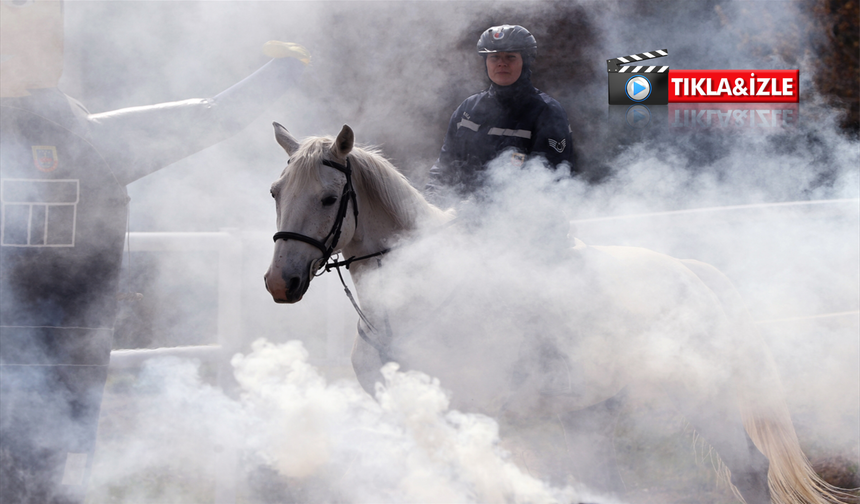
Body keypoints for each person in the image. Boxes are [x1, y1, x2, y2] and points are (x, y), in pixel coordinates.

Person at [0, 2, 309, 502]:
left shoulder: (84, 137)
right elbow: (212, 117)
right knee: (50, 478)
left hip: (55, 344)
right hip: (69, 349)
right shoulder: (89, 139)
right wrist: (280, 72)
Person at [425, 24, 576, 205]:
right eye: (494, 57)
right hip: (462, 220)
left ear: (525, 61)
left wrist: (483, 208)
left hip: (525, 225)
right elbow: (444, 167)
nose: (501, 63)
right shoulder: (467, 110)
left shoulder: (547, 112)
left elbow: (549, 181)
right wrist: (430, 204)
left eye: (510, 57)